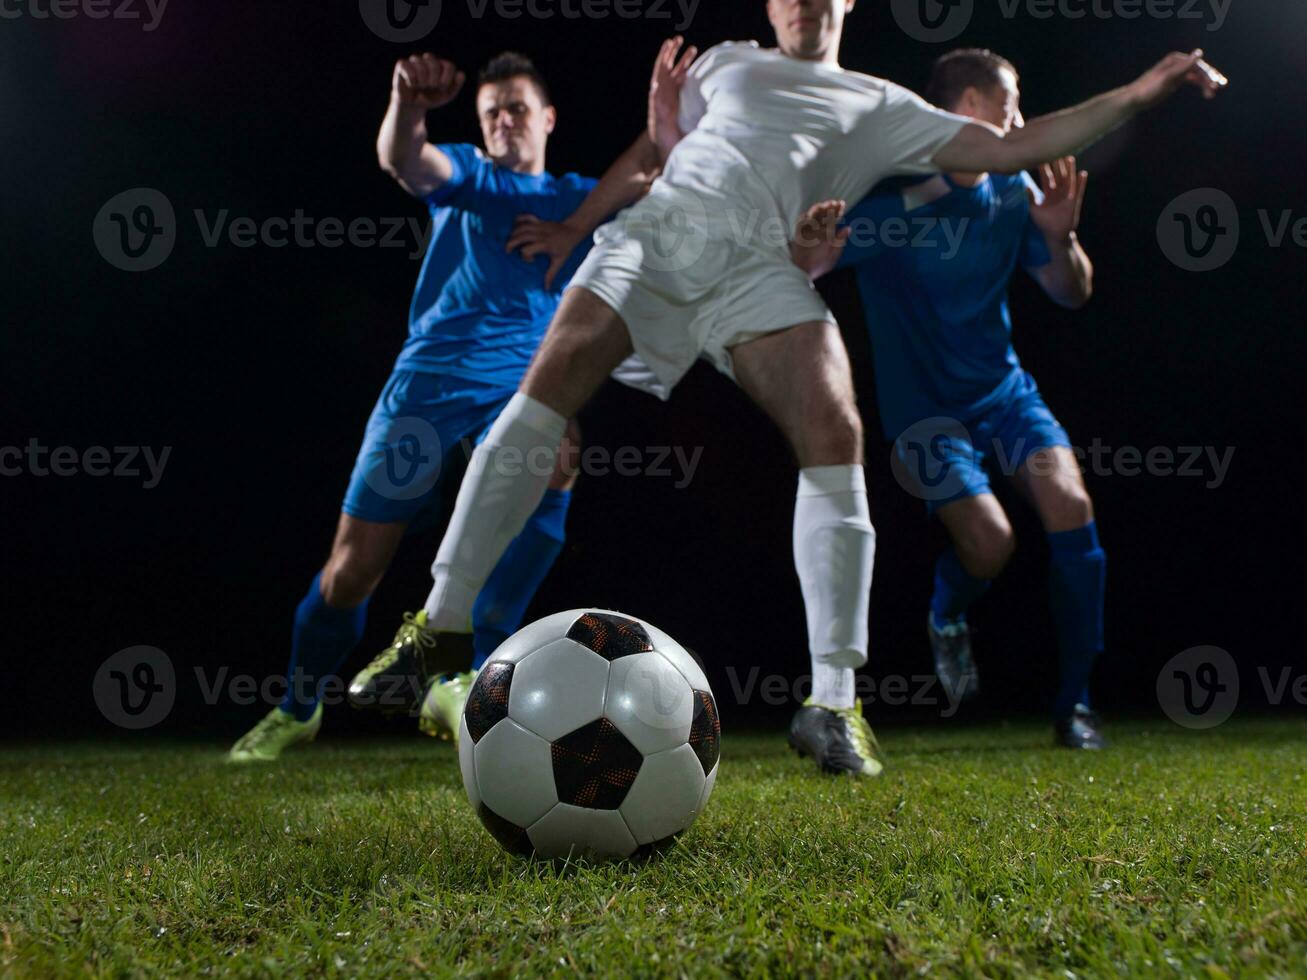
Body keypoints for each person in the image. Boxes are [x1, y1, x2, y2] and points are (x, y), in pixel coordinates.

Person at [360, 0, 1225, 777]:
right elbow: (654, 151)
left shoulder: (883, 106)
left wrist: (1145, 87)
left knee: (833, 426)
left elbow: (1018, 146)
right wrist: (584, 222)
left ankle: (833, 702)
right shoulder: (725, 62)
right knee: (546, 395)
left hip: (761, 268)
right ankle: (438, 627)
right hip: (660, 239)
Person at [227, 50, 663, 763]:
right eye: (491, 112)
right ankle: (297, 706)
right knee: (351, 571)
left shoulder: (582, 198)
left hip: (522, 387)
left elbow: (656, 171)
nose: (503, 122)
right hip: (426, 388)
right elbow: (409, 161)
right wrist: (408, 103)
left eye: (517, 107)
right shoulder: (473, 176)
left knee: (556, 457)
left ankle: (458, 671)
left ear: (547, 118)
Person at [792, 49, 1107, 748]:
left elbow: (1071, 291)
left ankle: (1075, 707)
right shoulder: (896, 200)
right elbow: (807, 267)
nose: (1018, 123)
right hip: (925, 418)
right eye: (1007, 107)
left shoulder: (1015, 192)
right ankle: (946, 615)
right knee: (990, 544)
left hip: (1003, 393)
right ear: (960, 113)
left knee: (1071, 505)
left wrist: (1063, 237)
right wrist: (806, 251)